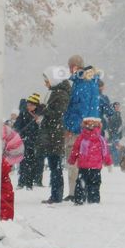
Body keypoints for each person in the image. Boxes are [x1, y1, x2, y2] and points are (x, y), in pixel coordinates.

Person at [63, 56, 100, 199]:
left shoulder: (82, 83)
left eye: (69, 66)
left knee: (74, 162)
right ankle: (81, 191)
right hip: (86, 128)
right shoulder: (89, 82)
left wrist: (71, 127)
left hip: (79, 129)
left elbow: (79, 109)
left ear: (74, 66)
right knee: (83, 162)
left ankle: (75, 192)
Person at [38, 67, 72, 204]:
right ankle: (55, 194)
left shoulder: (60, 94)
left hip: (55, 134)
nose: (45, 83)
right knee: (54, 165)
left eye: (47, 80)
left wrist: (44, 110)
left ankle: (56, 195)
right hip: (53, 133)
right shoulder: (56, 93)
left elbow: (59, 115)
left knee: (55, 166)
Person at [69, 117, 113, 204]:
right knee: (94, 184)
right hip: (94, 167)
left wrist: (72, 160)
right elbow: (105, 153)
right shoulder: (100, 139)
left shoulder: (82, 138)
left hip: (85, 166)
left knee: (81, 183)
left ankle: (80, 199)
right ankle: (93, 200)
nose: (91, 126)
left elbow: (75, 150)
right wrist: (108, 163)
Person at [14, 93, 41, 189]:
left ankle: (29, 183)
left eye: (32, 105)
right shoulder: (23, 114)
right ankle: (21, 182)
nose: (29, 107)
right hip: (24, 141)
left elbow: (40, 130)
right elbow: (17, 125)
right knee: (23, 162)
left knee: (32, 162)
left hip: (34, 142)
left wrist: (39, 123)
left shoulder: (39, 115)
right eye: (28, 105)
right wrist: (19, 133)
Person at [106, 101, 123, 166]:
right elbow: (112, 124)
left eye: (118, 106)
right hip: (114, 134)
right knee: (115, 149)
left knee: (114, 148)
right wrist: (113, 133)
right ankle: (115, 163)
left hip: (116, 134)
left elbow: (120, 125)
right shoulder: (113, 114)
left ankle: (113, 162)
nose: (118, 107)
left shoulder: (118, 113)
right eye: (116, 106)